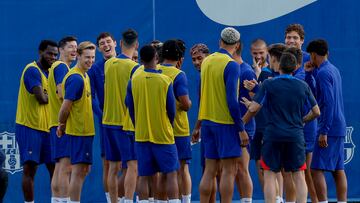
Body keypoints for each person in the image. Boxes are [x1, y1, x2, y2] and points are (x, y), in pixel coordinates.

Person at [242, 52, 320, 203]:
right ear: (296, 67)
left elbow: (254, 108)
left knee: (270, 174)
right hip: (295, 135)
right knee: (299, 175)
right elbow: (316, 111)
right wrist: (302, 120)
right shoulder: (303, 85)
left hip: (272, 135)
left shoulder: (269, 84)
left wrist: (242, 121)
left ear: (278, 66)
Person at [197, 27, 248, 203]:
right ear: (237, 45)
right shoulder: (232, 65)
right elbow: (232, 101)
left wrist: (199, 123)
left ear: (220, 42)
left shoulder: (206, 61)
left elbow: (201, 93)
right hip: (225, 123)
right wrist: (241, 128)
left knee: (210, 170)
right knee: (229, 170)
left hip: (208, 122)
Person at [125, 44, 180, 203]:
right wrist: (167, 125)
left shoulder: (133, 80)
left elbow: (130, 106)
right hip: (163, 135)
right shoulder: (165, 81)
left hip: (142, 136)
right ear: (157, 58)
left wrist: (138, 124)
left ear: (140, 60)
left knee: (143, 175)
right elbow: (171, 111)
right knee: (170, 173)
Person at [15, 39, 58, 203]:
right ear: (40, 52)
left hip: (47, 128)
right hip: (29, 127)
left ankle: (58, 200)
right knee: (29, 169)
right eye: (49, 53)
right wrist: (59, 96)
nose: (53, 57)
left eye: (55, 54)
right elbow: (41, 98)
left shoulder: (52, 73)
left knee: (54, 168)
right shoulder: (32, 70)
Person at [306, 39, 348, 203]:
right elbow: (317, 95)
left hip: (329, 128)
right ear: (327, 53)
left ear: (313, 55)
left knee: (316, 169)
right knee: (338, 169)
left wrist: (324, 131)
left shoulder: (323, 73)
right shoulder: (333, 70)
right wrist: (309, 74)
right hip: (339, 126)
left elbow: (328, 103)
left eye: (310, 55)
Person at [102, 29, 140, 203]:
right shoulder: (135, 68)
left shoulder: (108, 64)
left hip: (108, 122)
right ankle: (128, 200)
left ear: (121, 43)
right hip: (125, 124)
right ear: (137, 45)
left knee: (112, 168)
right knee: (132, 166)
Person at [57, 41, 96, 203]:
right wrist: (61, 124)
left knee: (84, 170)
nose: (90, 60)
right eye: (87, 57)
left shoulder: (84, 75)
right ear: (78, 56)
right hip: (79, 132)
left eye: (93, 57)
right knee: (78, 172)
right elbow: (65, 107)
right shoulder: (76, 79)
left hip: (85, 132)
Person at [285, 24, 318, 203]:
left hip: (305, 123)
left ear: (302, 40)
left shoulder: (309, 60)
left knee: (305, 172)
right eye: (289, 37)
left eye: (295, 38)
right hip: (286, 123)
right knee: (287, 171)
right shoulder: (281, 60)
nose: (291, 40)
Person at [157, 39, 192, 203]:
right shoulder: (179, 75)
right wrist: (188, 103)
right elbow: (185, 104)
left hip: (159, 128)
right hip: (178, 128)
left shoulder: (154, 71)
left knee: (162, 172)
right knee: (181, 169)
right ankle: (183, 200)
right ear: (180, 59)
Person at [87, 32, 117, 203]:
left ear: (115, 43)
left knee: (129, 164)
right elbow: (91, 97)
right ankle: (110, 200)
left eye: (108, 42)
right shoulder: (95, 69)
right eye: (102, 43)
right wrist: (102, 115)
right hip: (106, 123)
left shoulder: (125, 64)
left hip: (126, 122)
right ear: (99, 49)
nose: (106, 45)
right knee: (108, 164)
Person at [48, 36, 77, 203]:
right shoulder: (61, 67)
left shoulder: (57, 67)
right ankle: (64, 200)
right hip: (62, 124)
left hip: (55, 122)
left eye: (75, 47)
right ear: (60, 50)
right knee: (66, 167)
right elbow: (61, 92)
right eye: (70, 47)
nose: (74, 50)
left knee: (60, 167)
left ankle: (57, 200)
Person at [233, 40, 256, 203]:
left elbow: (254, 106)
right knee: (234, 171)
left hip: (244, 128)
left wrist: (242, 125)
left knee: (242, 169)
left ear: (236, 48)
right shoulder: (231, 69)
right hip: (233, 127)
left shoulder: (246, 71)